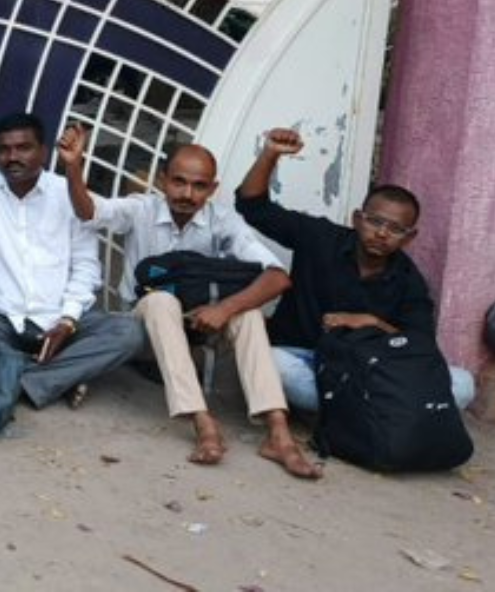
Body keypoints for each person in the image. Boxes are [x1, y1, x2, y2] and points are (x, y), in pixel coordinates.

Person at [57, 127, 320, 479]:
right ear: (163, 180)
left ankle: (278, 431)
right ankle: (201, 420)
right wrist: (74, 167)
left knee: (249, 316)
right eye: (179, 182)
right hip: (142, 328)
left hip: (201, 324)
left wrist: (225, 309)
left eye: (199, 186)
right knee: (160, 300)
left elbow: (278, 276)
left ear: (212, 189)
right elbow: (89, 211)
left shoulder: (222, 220)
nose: (187, 193)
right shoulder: (141, 209)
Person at [0, 89, 141, 408]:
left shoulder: (68, 193)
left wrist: (68, 320)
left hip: (60, 320)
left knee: (127, 333)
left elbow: (86, 268)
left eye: (23, 148)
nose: (13, 157)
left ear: (43, 152)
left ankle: (20, 381)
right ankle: (55, 376)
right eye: (4, 149)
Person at [236, 127, 475, 411]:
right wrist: (271, 153)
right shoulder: (320, 238)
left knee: (462, 384)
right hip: (305, 359)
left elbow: (419, 345)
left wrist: (372, 324)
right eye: (375, 222)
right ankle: (373, 415)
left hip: (369, 370)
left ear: (410, 237)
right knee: (273, 364)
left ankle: (347, 413)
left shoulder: (409, 280)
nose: (383, 234)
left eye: (396, 229)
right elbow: (253, 207)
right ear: (358, 219)